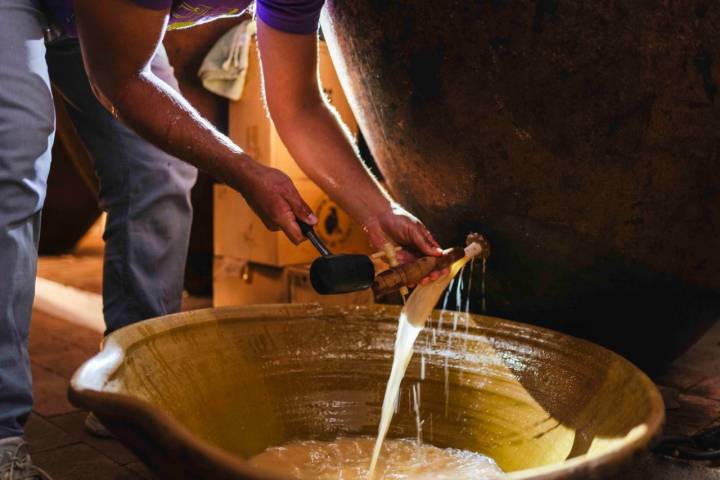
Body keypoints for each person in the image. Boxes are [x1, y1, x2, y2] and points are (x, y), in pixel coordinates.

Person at [0, 1, 444, 477]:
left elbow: (298, 105)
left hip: (104, 17)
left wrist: (381, 210)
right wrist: (244, 170)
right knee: (14, 155)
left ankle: (131, 386)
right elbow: (120, 82)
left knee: (160, 169)